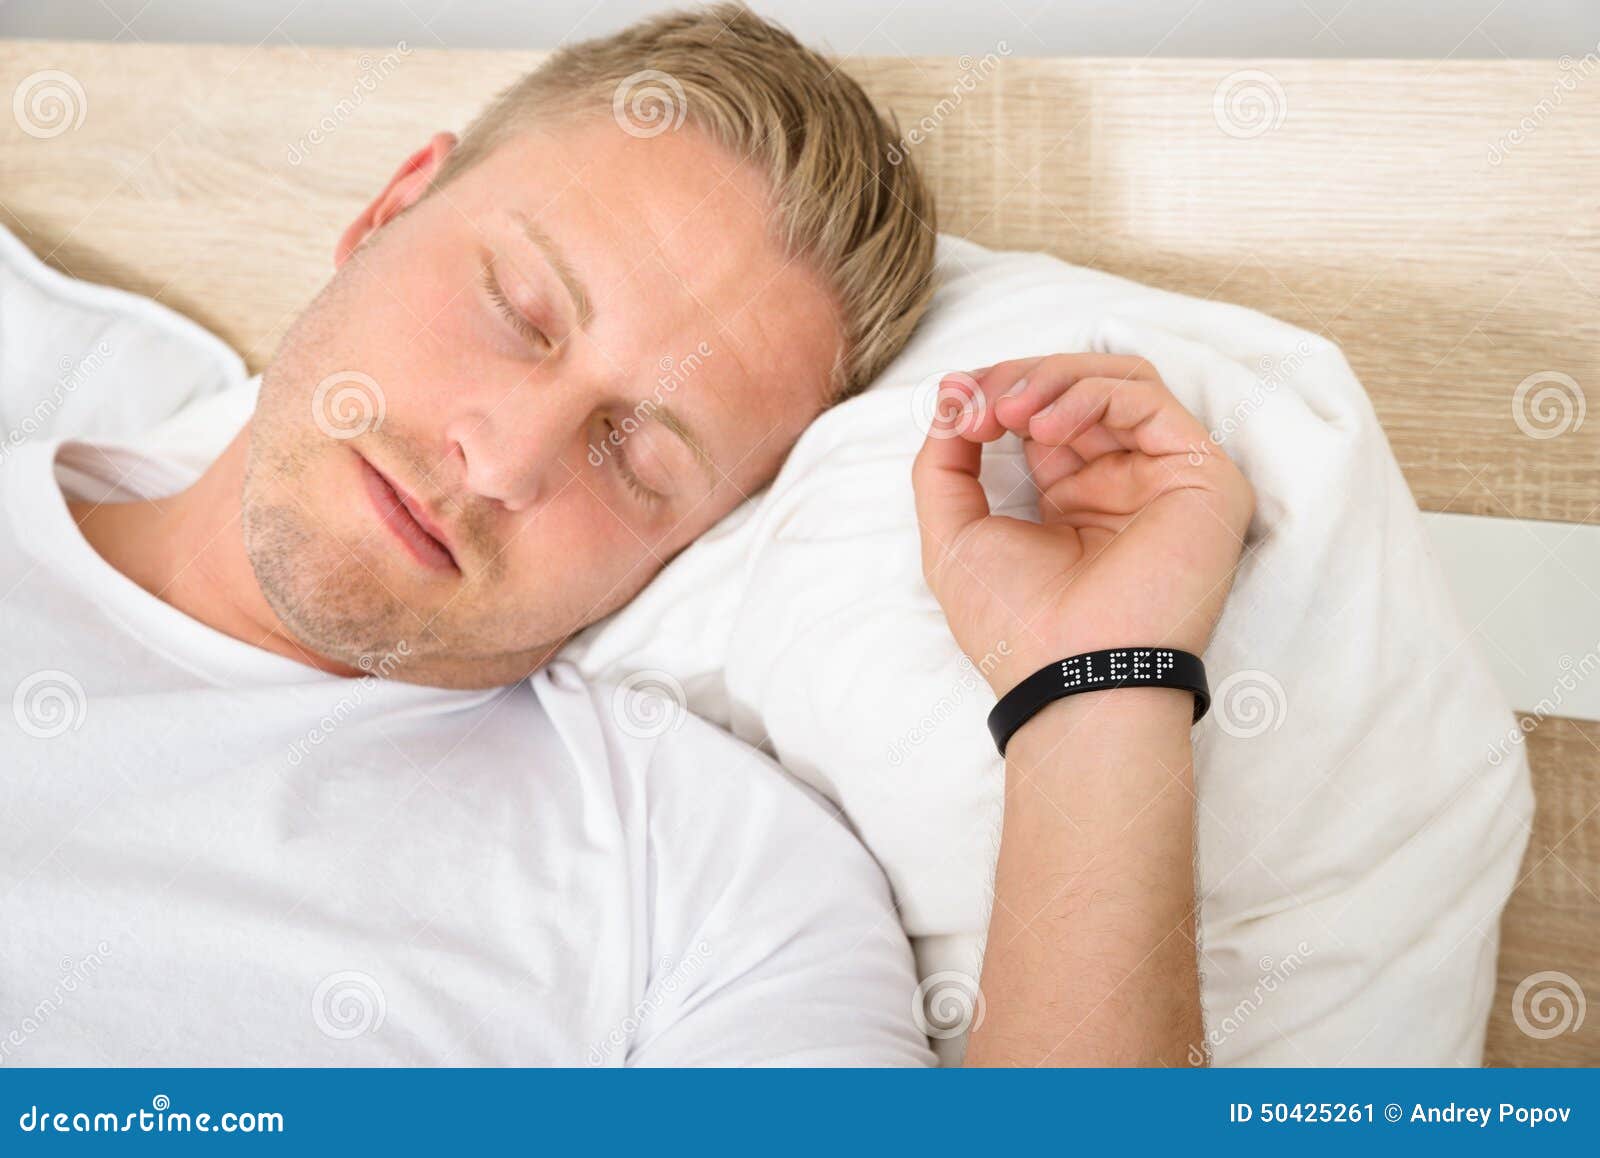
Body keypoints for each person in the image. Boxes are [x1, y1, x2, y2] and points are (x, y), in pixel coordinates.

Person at [0, 3, 1253, 1066]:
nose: (498, 461)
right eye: (517, 311)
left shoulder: (702, 887)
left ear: (703, 537)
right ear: (387, 210)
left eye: (640, 452)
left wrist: (1096, 690)